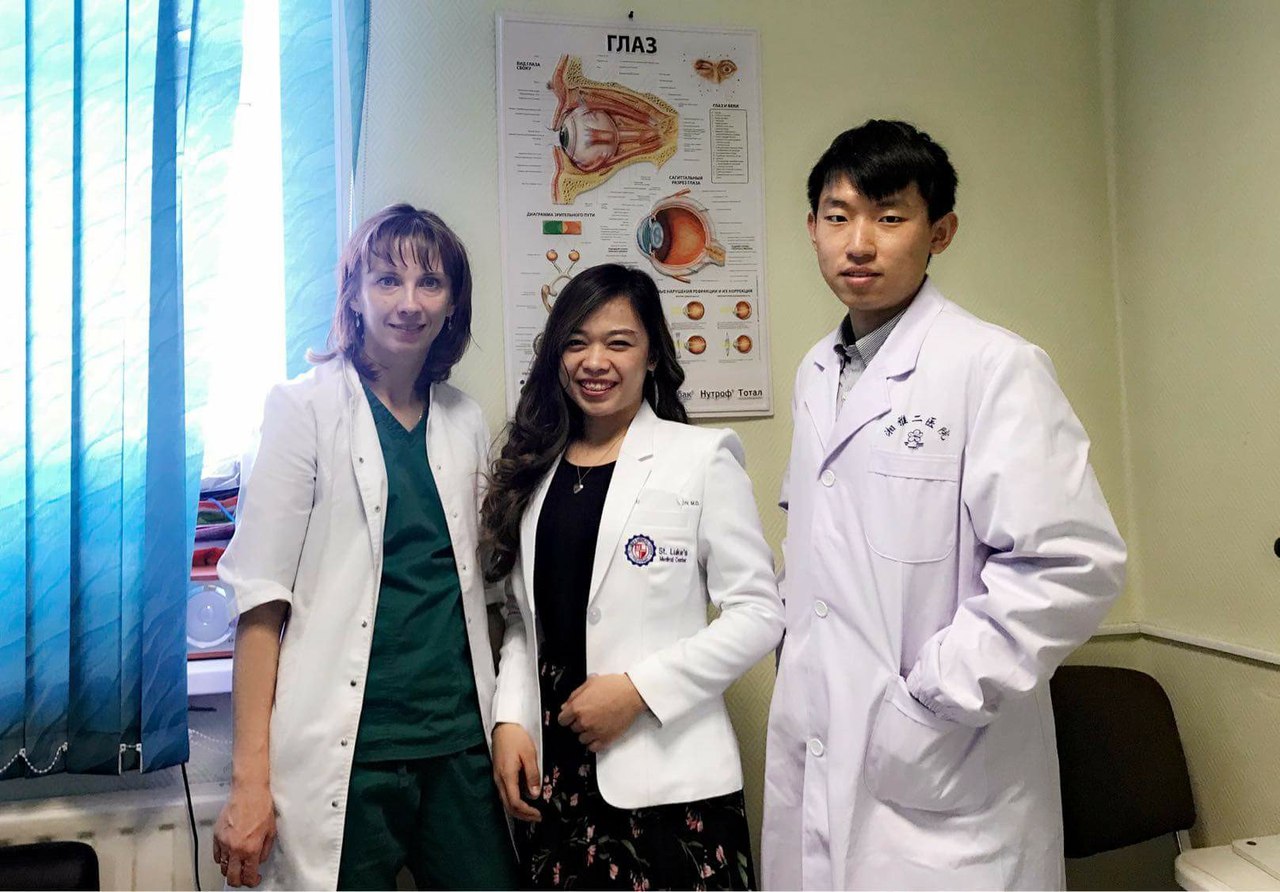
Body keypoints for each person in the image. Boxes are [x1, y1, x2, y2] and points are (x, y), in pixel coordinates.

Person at [761, 121, 1127, 890]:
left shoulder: (994, 366)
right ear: (812, 228)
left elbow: (1071, 564)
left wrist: (932, 700)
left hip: (944, 764)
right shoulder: (817, 371)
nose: (859, 243)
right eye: (838, 216)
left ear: (940, 233)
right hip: (825, 741)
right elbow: (825, 551)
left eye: (889, 217)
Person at [211, 204, 519, 890]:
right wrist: (248, 783)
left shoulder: (464, 419)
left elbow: (488, 597)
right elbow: (260, 604)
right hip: (348, 752)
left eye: (430, 283)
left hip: (458, 743)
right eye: (386, 280)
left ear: (452, 302)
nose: (409, 302)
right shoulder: (303, 409)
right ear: (353, 294)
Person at [482, 263, 784, 890]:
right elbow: (520, 619)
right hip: (555, 780)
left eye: (618, 342)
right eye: (576, 342)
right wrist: (509, 719)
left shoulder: (700, 457)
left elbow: (759, 613)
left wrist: (638, 691)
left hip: (668, 784)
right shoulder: (536, 470)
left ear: (651, 355)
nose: (595, 361)